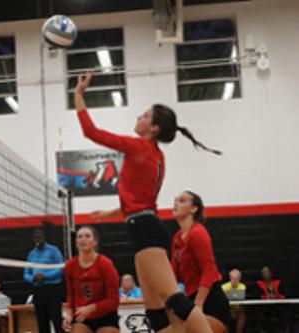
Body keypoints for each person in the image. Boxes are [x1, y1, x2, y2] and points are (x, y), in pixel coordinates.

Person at [75, 70, 220, 333]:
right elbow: (140, 202)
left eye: (144, 115)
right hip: (144, 225)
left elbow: (91, 132)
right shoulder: (156, 155)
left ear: (153, 128)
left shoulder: (139, 147)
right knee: (154, 308)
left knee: (173, 298)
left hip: (146, 230)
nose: (138, 117)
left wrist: (78, 95)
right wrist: (109, 213)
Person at [171, 191, 230, 333]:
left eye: (182, 200)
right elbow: (175, 276)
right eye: (175, 200)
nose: (176, 203)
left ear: (194, 209)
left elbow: (209, 270)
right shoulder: (177, 238)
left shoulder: (197, 232)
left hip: (209, 299)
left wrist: (198, 305)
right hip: (190, 298)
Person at [63, 226, 120, 333]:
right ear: (76, 242)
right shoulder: (70, 265)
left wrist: (91, 308)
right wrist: (69, 315)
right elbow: (71, 295)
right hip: (82, 317)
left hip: (105, 315)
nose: (83, 239)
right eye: (79, 237)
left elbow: (114, 300)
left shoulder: (105, 264)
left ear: (95, 242)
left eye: (87, 236)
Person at [23, 228, 65, 333]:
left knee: (57, 321)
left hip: (53, 290)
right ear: (33, 239)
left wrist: (46, 276)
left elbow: (61, 268)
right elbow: (26, 273)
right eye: (35, 238)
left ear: (44, 237)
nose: (38, 239)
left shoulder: (53, 250)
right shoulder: (31, 254)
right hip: (38, 290)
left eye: (39, 237)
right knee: (42, 323)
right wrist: (33, 278)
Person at [221, 269, 246, 333]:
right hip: (227, 309)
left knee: (242, 314)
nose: (234, 280)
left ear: (239, 279)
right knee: (223, 315)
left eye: (236, 278)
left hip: (238, 309)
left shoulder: (243, 286)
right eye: (233, 278)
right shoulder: (224, 287)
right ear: (230, 278)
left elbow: (242, 298)